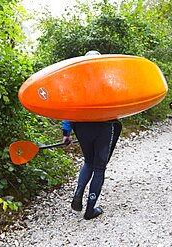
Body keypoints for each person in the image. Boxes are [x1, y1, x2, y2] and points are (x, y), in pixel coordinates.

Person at [62, 50, 122, 220]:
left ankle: (79, 191)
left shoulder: (76, 84)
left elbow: (68, 108)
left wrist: (66, 133)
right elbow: (118, 105)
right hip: (103, 127)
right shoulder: (108, 82)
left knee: (88, 161)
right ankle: (90, 209)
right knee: (99, 167)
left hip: (81, 127)